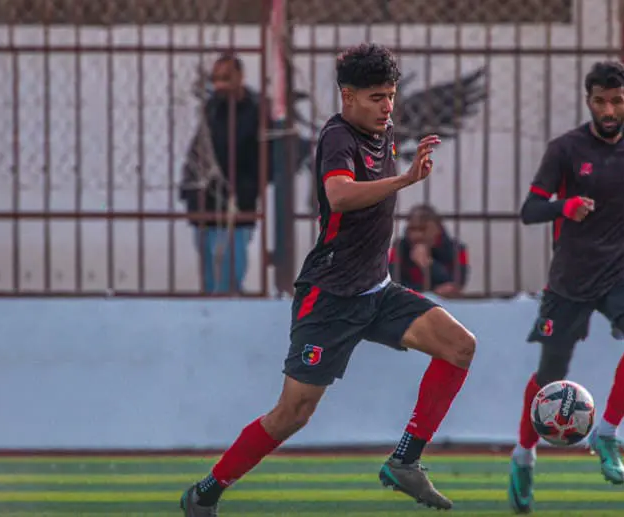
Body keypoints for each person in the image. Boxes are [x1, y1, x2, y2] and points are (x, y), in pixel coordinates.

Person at [180, 43, 476, 516]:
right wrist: (405, 181)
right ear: (348, 96)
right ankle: (207, 491)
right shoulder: (337, 137)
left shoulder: (385, 131)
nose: (387, 106)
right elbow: (339, 196)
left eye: (391, 95)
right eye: (377, 97)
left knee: (459, 346)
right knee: (292, 414)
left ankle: (405, 460)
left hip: (376, 290)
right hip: (330, 297)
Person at [507, 60, 624, 514]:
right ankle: (523, 455)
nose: (609, 110)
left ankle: (608, 432)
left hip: (623, 271)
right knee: (549, 376)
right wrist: (565, 206)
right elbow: (530, 210)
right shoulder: (565, 150)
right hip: (571, 279)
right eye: (600, 101)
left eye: (617, 101)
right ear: (589, 102)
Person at [179, 53, 265, 294]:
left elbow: (262, 157)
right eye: (215, 79)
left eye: (226, 78)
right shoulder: (212, 107)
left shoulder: (255, 110)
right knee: (210, 278)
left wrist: (245, 189)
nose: (219, 85)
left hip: (237, 203)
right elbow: (200, 150)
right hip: (205, 200)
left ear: (240, 76)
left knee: (229, 279)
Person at [389, 204, 469, 297]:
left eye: (423, 229)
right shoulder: (399, 248)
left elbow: (456, 285)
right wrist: (431, 291)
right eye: (412, 229)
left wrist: (429, 264)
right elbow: (392, 283)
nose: (417, 235)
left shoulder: (458, 250)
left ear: (438, 229)